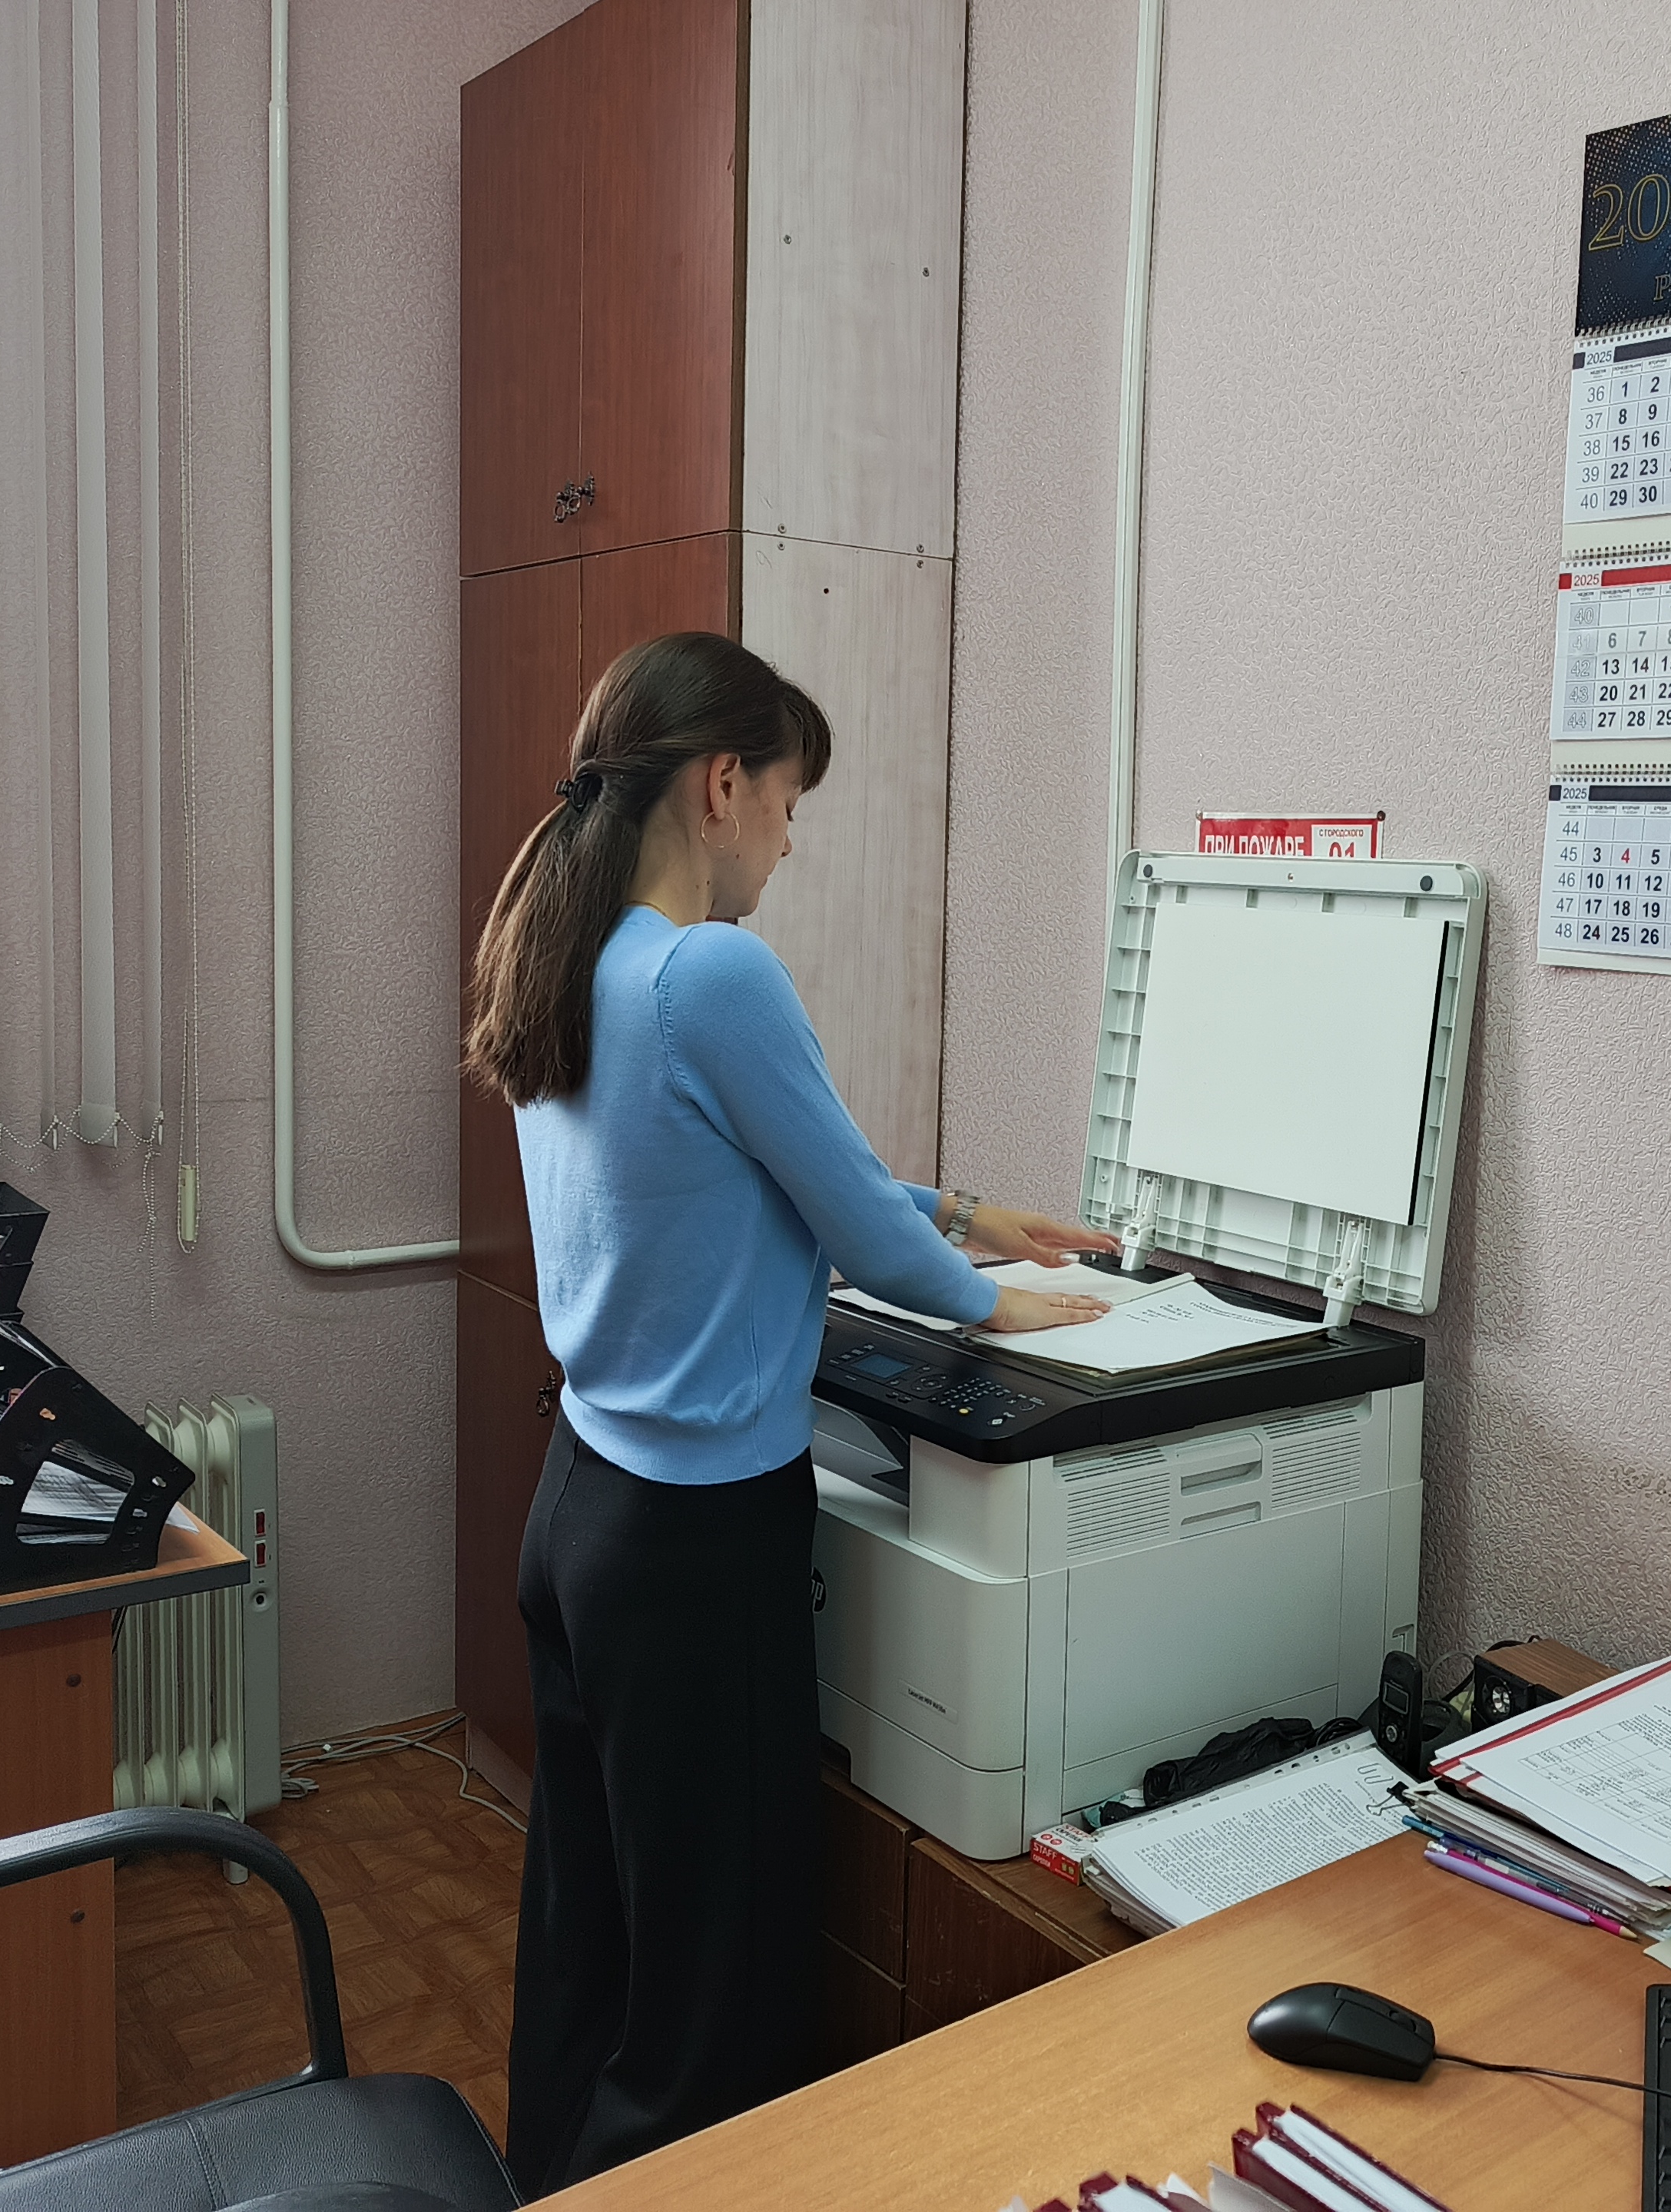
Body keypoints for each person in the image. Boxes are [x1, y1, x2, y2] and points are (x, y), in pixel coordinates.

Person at [463, 631, 1116, 2192]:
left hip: (581, 1509)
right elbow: (851, 1225)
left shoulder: (580, 955)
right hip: (697, 1546)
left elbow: (762, 1165)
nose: (788, 841)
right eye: (788, 803)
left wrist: (965, 1213)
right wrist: (993, 1302)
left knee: (593, 1928)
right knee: (716, 1980)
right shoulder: (713, 971)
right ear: (722, 784)